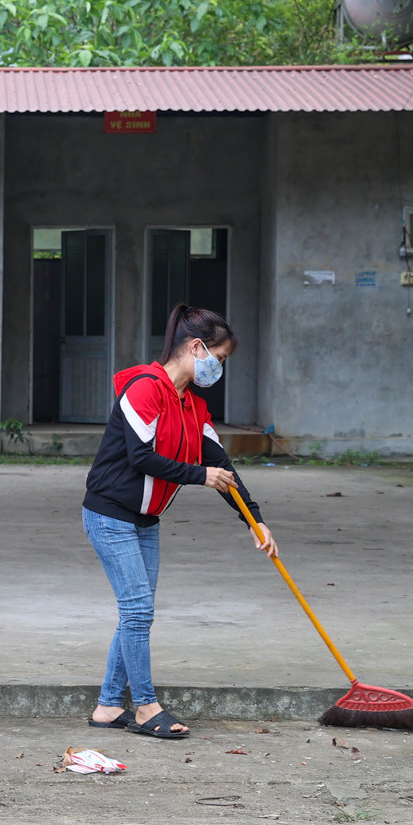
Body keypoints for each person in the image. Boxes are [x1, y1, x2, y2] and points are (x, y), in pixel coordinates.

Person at [81, 304, 276, 740]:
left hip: (145, 521)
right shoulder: (143, 389)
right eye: (219, 358)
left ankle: (110, 707)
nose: (219, 367)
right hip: (109, 515)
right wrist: (199, 476)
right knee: (137, 610)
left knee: (136, 614)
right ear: (196, 347)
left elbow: (222, 467)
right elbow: (142, 458)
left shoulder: (193, 407)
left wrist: (255, 521)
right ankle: (147, 707)